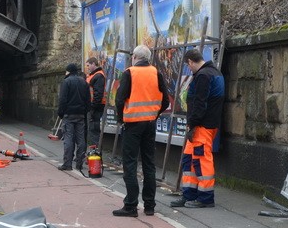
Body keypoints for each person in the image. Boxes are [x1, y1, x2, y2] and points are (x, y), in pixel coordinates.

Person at [113, 44, 170, 217]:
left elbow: (119, 99)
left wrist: (121, 119)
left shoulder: (129, 73)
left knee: (130, 163)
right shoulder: (156, 73)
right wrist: (154, 114)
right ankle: (150, 206)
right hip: (150, 123)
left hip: (132, 124)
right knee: (149, 163)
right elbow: (166, 101)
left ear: (135, 57)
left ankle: (131, 205)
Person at [171, 49, 225, 208]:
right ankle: (189, 195)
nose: (189, 69)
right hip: (204, 125)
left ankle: (205, 198)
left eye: (188, 66)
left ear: (190, 62)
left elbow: (200, 103)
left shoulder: (203, 76)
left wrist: (192, 124)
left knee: (201, 160)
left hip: (201, 126)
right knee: (190, 159)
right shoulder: (214, 73)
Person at [57, 63, 90, 172]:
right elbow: (88, 100)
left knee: (68, 139)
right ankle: (79, 163)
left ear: (68, 71)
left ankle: (67, 164)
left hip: (69, 115)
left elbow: (63, 100)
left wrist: (61, 113)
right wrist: (84, 112)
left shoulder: (66, 82)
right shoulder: (84, 82)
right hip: (80, 115)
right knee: (81, 139)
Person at [85, 57, 106, 148]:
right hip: (94, 107)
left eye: (88, 65)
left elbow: (98, 95)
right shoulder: (95, 76)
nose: (87, 67)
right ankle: (93, 156)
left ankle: (94, 156)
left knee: (93, 132)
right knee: (92, 132)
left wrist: (92, 108)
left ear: (93, 64)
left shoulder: (98, 76)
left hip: (95, 108)